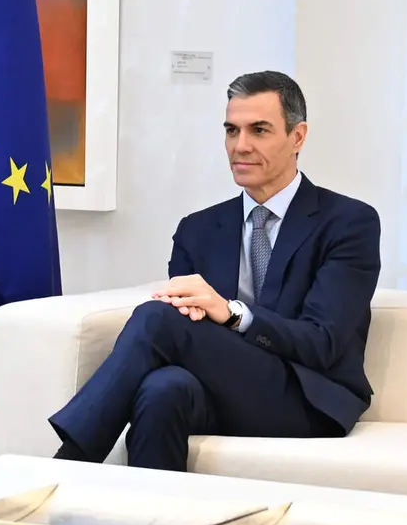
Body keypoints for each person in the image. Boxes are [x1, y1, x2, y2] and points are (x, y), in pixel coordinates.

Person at [49, 71, 382, 471]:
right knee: (162, 388)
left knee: (157, 320)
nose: (240, 146)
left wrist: (233, 314)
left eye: (259, 130)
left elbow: (322, 342)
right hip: (222, 390)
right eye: (231, 130)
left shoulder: (349, 222)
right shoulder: (198, 229)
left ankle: (67, 466)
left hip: (306, 397)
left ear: (298, 136)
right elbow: (188, 329)